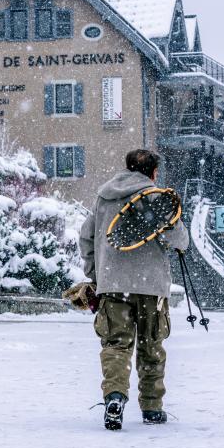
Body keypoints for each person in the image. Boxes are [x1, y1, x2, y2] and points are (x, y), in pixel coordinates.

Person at [79, 149, 189, 430]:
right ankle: (152, 407)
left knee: (116, 344)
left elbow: (86, 237)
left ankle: (115, 396)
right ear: (153, 172)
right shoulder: (157, 197)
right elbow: (180, 241)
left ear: (127, 168)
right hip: (151, 285)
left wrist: (96, 274)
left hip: (113, 284)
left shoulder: (104, 197)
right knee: (152, 345)